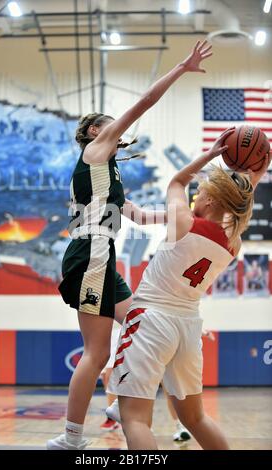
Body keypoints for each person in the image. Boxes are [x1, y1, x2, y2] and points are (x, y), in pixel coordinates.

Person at [47, 40, 213, 451]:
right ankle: (72, 438)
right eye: (112, 124)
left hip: (102, 256)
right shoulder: (95, 150)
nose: (120, 129)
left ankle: (122, 404)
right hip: (90, 254)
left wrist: (189, 220)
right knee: (96, 352)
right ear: (93, 131)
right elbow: (144, 102)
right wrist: (181, 67)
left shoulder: (109, 178)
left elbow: (141, 216)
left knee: (143, 323)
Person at [106, 131, 271, 450]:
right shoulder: (232, 242)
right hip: (187, 327)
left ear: (209, 200)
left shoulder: (183, 221)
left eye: (200, 193)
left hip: (151, 320)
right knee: (195, 419)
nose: (193, 196)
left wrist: (211, 154)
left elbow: (177, 182)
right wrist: (257, 169)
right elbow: (239, 199)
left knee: (135, 419)